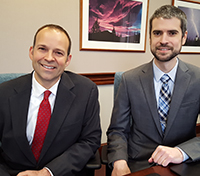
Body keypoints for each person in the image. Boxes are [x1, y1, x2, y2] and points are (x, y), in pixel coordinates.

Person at [107, 5, 200, 176]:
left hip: (184, 165)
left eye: (172, 33)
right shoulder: (129, 79)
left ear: (184, 37)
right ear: (149, 37)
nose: (163, 40)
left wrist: (181, 152)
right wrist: (119, 162)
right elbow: (117, 130)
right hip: (139, 164)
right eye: (157, 33)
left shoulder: (198, 78)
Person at [0, 24, 101, 176]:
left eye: (58, 52)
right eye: (42, 49)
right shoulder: (4, 92)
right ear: (31, 52)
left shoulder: (86, 91)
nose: (49, 58)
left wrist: (48, 172)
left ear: (68, 60)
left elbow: (90, 140)